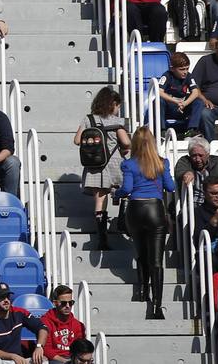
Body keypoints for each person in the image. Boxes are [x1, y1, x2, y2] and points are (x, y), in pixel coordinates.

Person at [116, 125, 174, 319]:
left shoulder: (129, 164)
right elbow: (170, 186)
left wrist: (116, 193)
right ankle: (157, 306)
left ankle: (142, 293)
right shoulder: (162, 163)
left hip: (135, 209)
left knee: (141, 253)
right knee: (157, 261)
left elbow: (127, 188)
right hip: (155, 210)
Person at [76, 87, 129, 251]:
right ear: (113, 104)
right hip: (113, 163)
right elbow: (126, 143)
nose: (118, 109)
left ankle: (102, 239)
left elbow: (77, 140)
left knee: (100, 200)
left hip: (95, 165)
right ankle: (122, 221)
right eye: (118, 105)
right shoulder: (117, 121)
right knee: (126, 191)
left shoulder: (88, 119)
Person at [0, 280, 46, 364]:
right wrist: (12, 356)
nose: (6, 300)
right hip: (2, 360)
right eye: (2, 297)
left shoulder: (19, 312)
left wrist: (39, 346)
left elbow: (42, 327)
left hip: (19, 359)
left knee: (43, 360)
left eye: (7, 296)